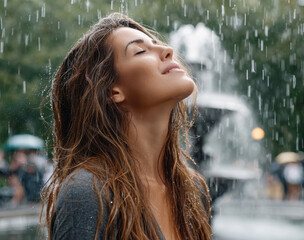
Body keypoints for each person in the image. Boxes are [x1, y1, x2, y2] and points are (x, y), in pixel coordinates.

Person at [41, 13, 212, 240]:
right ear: (112, 91)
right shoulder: (87, 192)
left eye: (157, 44)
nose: (168, 51)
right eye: (140, 51)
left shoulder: (191, 189)